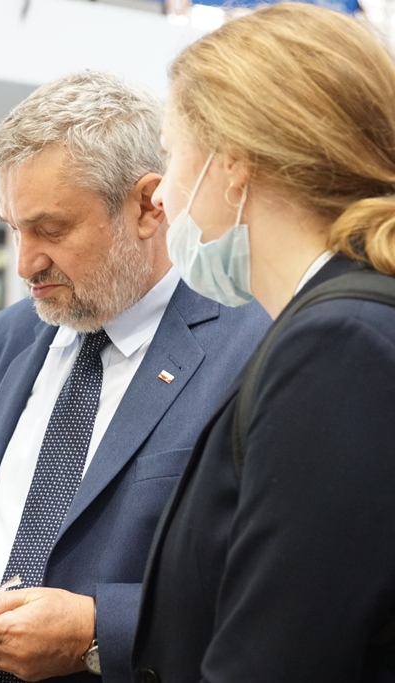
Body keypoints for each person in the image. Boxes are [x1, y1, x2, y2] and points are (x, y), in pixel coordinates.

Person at [0, 70, 271, 683]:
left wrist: (97, 629)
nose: (24, 263)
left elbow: (265, 583)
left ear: (149, 206)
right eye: (14, 228)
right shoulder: (5, 339)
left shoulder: (251, 350)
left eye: (51, 229)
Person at [131, 5, 395, 682]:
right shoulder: (338, 322)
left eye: (170, 153)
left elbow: (279, 654)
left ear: (234, 164)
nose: (158, 196)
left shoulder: (339, 344)